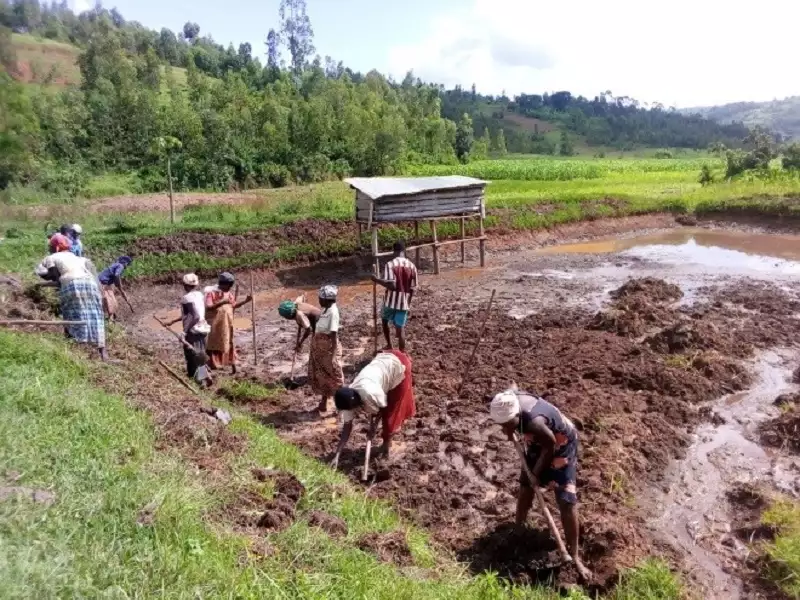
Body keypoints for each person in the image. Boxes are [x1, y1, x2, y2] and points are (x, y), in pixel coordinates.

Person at [489, 386, 592, 581]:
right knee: (525, 486)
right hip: (538, 441)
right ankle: (518, 528)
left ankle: (575, 555)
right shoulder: (506, 401)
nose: (504, 430)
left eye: (508, 424)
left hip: (559, 442)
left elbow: (550, 445)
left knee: (566, 499)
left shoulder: (535, 423)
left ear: (517, 415)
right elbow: (513, 389)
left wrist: (535, 473)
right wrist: (509, 430)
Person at [35, 233, 108, 361]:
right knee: (96, 316)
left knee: (70, 315)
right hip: (90, 284)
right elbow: (92, 273)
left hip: (72, 285)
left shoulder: (51, 257)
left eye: (51, 247)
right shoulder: (78, 258)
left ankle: (73, 351)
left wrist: (41, 283)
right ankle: (103, 354)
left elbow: (52, 276)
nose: (50, 249)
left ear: (55, 247)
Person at [332, 349, 415, 460]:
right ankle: (385, 444)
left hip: (398, 365)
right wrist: (337, 455)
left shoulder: (370, 393)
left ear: (356, 403)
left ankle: (386, 446)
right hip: (382, 367)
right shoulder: (347, 400)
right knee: (385, 413)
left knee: (390, 415)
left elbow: (383, 408)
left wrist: (373, 427)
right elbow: (347, 428)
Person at [164, 273, 212, 387]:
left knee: (194, 356)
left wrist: (184, 332)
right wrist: (173, 321)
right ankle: (195, 378)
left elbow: (194, 316)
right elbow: (193, 314)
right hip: (203, 329)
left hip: (193, 331)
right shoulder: (199, 295)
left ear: (184, 285)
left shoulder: (186, 298)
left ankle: (202, 380)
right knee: (199, 354)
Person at [372, 240, 418, 352]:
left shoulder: (390, 264)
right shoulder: (412, 266)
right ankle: (402, 353)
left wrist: (376, 280)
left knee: (384, 320)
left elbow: (392, 286)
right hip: (404, 303)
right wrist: (408, 305)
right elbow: (413, 289)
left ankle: (389, 345)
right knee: (400, 328)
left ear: (394, 251)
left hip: (390, 301)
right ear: (404, 251)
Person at [204, 272, 251, 374]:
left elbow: (233, 305)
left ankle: (228, 361)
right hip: (215, 324)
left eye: (230, 285)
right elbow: (208, 306)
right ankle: (213, 363)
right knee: (214, 344)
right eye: (228, 285)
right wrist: (222, 302)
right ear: (222, 284)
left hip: (226, 323)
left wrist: (245, 301)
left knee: (228, 342)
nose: (229, 288)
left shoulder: (228, 294)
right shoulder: (211, 293)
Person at [309, 285, 344, 412]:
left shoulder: (333, 312)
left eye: (320, 298)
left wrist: (333, 356)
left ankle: (341, 406)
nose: (319, 300)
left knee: (334, 377)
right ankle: (323, 403)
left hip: (328, 350)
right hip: (321, 351)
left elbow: (333, 335)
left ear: (327, 299)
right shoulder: (326, 310)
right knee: (323, 376)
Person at [98, 256, 133, 321]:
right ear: (125, 263)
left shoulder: (115, 265)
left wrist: (119, 287)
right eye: (128, 264)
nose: (127, 266)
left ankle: (112, 316)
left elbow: (114, 277)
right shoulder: (120, 266)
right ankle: (111, 319)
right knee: (111, 300)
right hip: (103, 284)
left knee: (107, 299)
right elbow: (117, 275)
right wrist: (120, 286)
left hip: (100, 282)